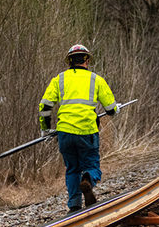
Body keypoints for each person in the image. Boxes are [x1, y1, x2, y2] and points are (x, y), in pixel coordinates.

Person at [38, 44, 120, 213]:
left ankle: (74, 205)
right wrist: (116, 108)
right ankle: (88, 179)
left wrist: (45, 129)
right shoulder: (96, 79)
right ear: (87, 60)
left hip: (65, 133)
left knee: (72, 168)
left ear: (69, 61)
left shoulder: (58, 80)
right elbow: (111, 109)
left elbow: (44, 107)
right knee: (91, 165)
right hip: (87, 132)